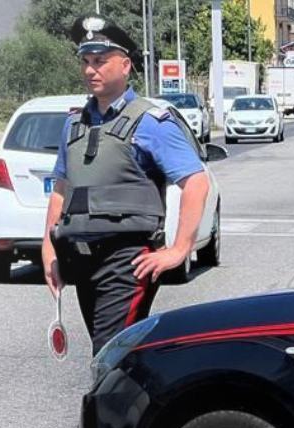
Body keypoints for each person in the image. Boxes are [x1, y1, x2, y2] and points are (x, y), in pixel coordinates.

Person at [41, 14, 209, 354]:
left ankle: (109, 407)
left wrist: (179, 249)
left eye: (101, 61)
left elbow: (197, 182)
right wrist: (49, 250)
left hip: (127, 258)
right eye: (86, 62)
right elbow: (61, 191)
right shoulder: (73, 125)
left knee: (110, 353)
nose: (91, 70)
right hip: (82, 260)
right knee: (119, 356)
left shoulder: (150, 122)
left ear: (126, 65)